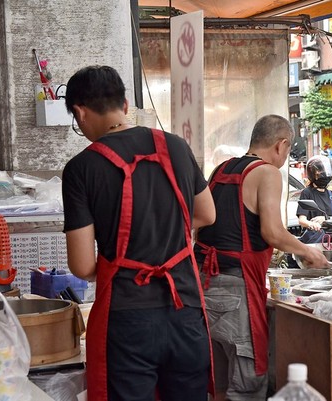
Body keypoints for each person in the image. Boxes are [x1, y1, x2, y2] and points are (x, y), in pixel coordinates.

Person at [62, 65, 216, 401]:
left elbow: (83, 265)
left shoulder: (81, 169)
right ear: (126, 104)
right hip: (185, 309)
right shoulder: (175, 146)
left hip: (127, 320)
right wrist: (168, 233)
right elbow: (207, 214)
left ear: (80, 112)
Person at [194, 114, 328, 401]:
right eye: (288, 149)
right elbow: (272, 232)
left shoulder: (220, 169)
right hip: (236, 289)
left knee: (217, 382)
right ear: (281, 145)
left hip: (203, 284)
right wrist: (308, 252)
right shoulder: (267, 173)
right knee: (247, 384)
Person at [296, 155, 332, 243]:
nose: (323, 173)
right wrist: (312, 224)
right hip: (315, 238)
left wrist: (325, 219)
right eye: (320, 170)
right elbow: (302, 220)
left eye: (325, 170)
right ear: (312, 173)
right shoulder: (307, 193)